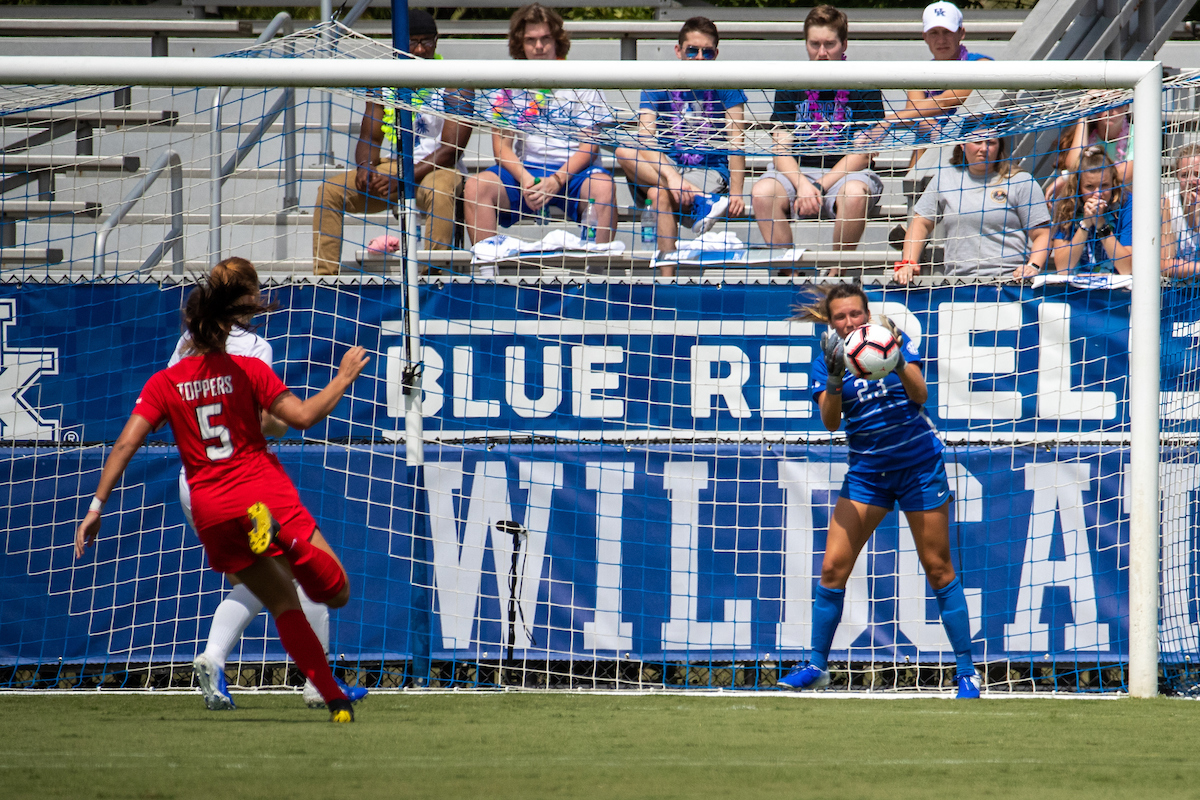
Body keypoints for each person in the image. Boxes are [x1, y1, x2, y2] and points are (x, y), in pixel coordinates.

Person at [74, 269, 371, 723]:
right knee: (337, 592)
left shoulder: (164, 381)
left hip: (210, 506)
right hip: (258, 491)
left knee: (280, 601)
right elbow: (304, 417)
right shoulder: (248, 366)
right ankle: (285, 544)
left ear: (188, 328)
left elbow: (125, 444)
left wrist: (96, 507)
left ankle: (332, 698)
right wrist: (343, 376)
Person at [178, 258, 367, 711]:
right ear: (246, 299)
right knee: (306, 573)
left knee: (265, 579)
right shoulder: (254, 347)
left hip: (195, 480)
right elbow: (268, 419)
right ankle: (318, 683)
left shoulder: (190, 340)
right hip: (242, 481)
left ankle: (213, 657)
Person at [779, 283, 979, 700]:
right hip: (868, 474)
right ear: (830, 322)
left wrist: (898, 356)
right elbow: (831, 423)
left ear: (867, 314)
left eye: (856, 314)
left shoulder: (892, 343)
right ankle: (817, 665)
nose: (850, 322)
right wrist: (834, 379)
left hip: (919, 468)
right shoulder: (827, 362)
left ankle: (966, 673)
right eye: (840, 317)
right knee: (833, 568)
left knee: (938, 568)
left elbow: (921, 395)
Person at [312, 9, 473, 274]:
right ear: (397, 44)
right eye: (412, 42)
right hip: (397, 169)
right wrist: (365, 166)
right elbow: (369, 137)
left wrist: (403, 178)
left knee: (440, 190)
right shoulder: (383, 83)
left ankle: (434, 278)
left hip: (439, 171)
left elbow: (450, 151)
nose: (420, 50)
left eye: (427, 42)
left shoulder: (456, 82)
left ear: (437, 41)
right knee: (329, 191)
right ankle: (324, 279)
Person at [463, 4, 617, 250]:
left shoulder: (582, 80)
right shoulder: (508, 86)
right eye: (530, 40)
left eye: (545, 38)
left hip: (574, 174)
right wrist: (527, 180)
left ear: (557, 40)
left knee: (605, 188)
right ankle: (487, 277)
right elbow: (501, 149)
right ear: (520, 44)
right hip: (527, 173)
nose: (538, 47)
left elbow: (589, 148)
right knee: (475, 186)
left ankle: (598, 278)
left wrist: (556, 180)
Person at [752, 5, 885, 273]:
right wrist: (802, 184)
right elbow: (780, 150)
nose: (822, 53)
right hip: (797, 171)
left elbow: (862, 154)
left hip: (846, 173)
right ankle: (787, 272)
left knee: (855, 194)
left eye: (829, 44)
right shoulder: (790, 83)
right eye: (814, 44)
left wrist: (821, 186)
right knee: (762, 192)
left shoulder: (865, 84)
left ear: (844, 43)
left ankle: (837, 271)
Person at [614, 17, 747, 274]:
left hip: (708, 170)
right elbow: (646, 138)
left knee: (657, 194)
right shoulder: (659, 80)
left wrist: (738, 192)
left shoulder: (728, 84)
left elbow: (737, 142)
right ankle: (700, 202)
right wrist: (673, 177)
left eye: (707, 52)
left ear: (716, 54)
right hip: (666, 167)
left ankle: (667, 282)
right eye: (692, 51)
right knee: (623, 151)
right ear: (678, 51)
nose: (699, 57)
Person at [896, 137, 1050, 283]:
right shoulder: (945, 179)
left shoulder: (1020, 181)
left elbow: (1042, 233)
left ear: (1000, 146)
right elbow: (920, 223)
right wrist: (908, 262)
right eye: (977, 142)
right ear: (962, 145)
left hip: (1009, 283)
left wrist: (1032, 266)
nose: (984, 148)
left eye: (990, 142)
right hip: (957, 283)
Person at [1050, 146, 1132, 275]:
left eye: (1104, 186)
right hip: (1076, 288)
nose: (1097, 194)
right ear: (1078, 187)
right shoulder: (1066, 204)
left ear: (1113, 183)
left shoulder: (1127, 204)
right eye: (1089, 187)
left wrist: (1101, 224)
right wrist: (1086, 224)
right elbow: (1063, 268)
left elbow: (1127, 268)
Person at [1162, 143, 1200, 278]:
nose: (1192, 181)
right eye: (1184, 175)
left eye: (1197, 174)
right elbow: (1164, 266)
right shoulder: (1166, 203)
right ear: (1177, 177)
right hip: (1177, 291)